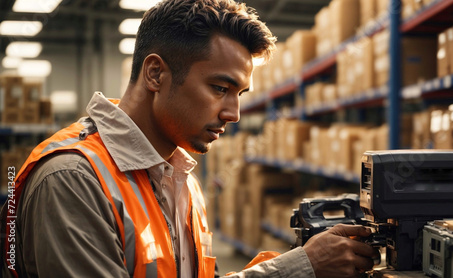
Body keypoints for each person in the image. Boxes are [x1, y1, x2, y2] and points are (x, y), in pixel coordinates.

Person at [0, 0, 378, 277]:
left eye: (239, 95)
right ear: (155, 74)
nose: (234, 113)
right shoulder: (72, 181)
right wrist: (297, 270)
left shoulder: (179, 176)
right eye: (219, 88)